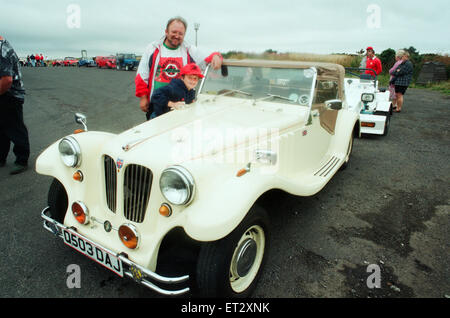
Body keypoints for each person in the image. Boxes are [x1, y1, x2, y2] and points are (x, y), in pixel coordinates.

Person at [135, 16, 222, 120]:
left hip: (180, 106)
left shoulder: (189, 50)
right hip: (157, 103)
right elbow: (142, 74)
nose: (177, 36)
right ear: (166, 32)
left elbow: (207, 59)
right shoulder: (152, 48)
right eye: (174, 32)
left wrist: (216, 55)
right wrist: (143, 97)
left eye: (180, 34)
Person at [0, 36, 30, 174]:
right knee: (2, 128)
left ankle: (22, 159)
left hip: (10, 94)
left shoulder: (2, 49)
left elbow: (6, 80)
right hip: (6, 93)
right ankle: (1, 157)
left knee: (15, 126)